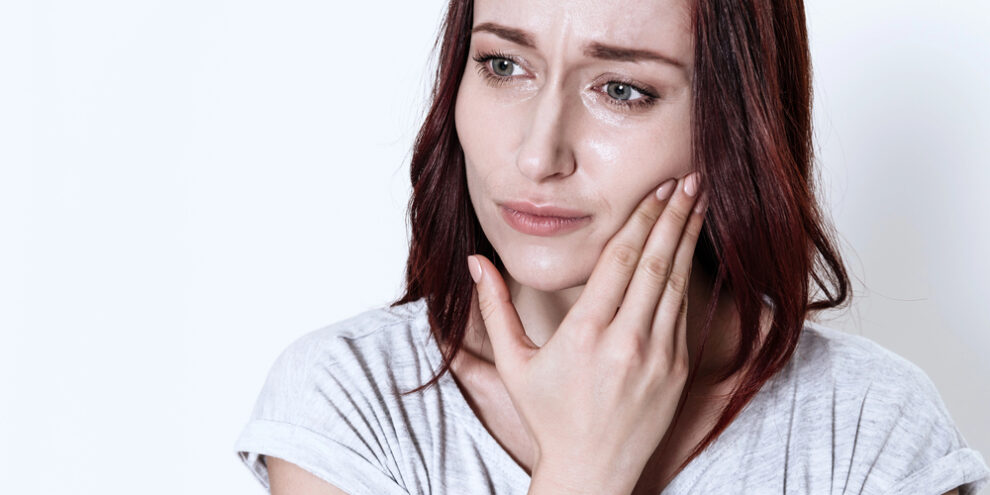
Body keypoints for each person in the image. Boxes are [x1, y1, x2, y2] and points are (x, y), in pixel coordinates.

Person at [233, 0, 990, 493]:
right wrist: (581, 470)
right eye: (502, 65)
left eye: (622, 89)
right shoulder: (353, 402)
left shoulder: (867, 426)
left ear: (732, 121)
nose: (538, 155)